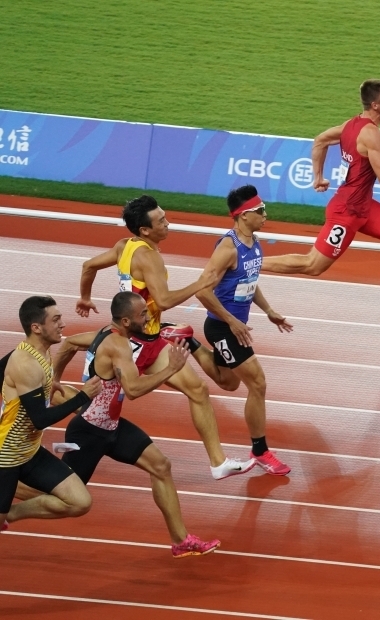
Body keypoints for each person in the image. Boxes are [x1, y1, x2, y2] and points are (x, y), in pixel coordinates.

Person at [23, 292, 221, 557]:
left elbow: (69, 344)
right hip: (89, 432)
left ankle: (180, 540)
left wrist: (53, 380)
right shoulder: (118, 345)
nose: (148, 318)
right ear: (126, 321)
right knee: (65, 496)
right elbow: (134, 389)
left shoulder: (108, 332)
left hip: (112, 426)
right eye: (142, 314)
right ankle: (8, 493)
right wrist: (170, 369)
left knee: (161, 466)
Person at [76, 195, 255, 480]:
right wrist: (200, 284)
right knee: (98, 409)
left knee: (198, 391)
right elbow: (164, 300)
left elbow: (88, 266)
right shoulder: (149, 257)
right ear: (145, 230)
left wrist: (85, 297)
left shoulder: (124, 246)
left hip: (151, 339)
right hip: (131, 345)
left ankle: (218, 463)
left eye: (165, 216)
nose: (168, 223)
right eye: (161, 221)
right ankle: (46, 416)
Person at [260, 79, 380, 329]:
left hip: (363, 206)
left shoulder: (350, 125)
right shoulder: (372, 135)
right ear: (375, 105)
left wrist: (318, 177)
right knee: (313, 265)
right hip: (347, 212)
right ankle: (251, 264)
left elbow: (320, 140)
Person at [195, 185, 293, 475]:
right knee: (257, 383)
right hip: (223, 328)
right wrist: (231, 321)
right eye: (260, 210)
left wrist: (269, 310)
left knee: (229, 383)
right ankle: (260, 451)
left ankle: (189, 342)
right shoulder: (228, 248)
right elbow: (202, 290)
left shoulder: (254, 242)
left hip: (231, 327)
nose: (265, 214)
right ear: (243, 215)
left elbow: (249, 280)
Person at [1, 296, 102, 532]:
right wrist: (82, 396)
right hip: (6, 456)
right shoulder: (25, 363)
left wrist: (45, 387)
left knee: (80, 501)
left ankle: (11, 514)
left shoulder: (41, 352)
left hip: (29, 451)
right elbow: (40, 420)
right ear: (36, 328)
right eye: (55, 320)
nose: (62, 324)